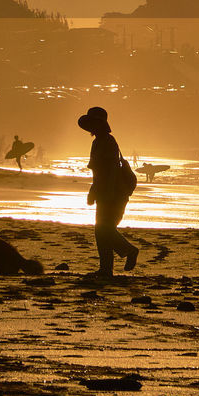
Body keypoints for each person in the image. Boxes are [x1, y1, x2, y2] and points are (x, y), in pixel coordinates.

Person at [77, 106, 138, 278]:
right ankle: (106, 269)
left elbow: (108, 171)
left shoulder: (106, 142)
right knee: (103, 230)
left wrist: (100, 192)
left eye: (94, 123)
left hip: (112, 193)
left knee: (104, 229)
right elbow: (99, 172)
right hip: (108, 191)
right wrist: (94, 191)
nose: (92, 128)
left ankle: (129, 251)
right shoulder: (101, 141)